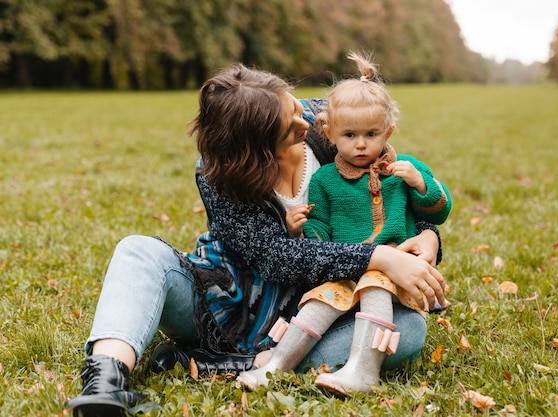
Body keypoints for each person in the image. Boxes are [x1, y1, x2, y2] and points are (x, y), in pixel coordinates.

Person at [64, 63, 448, 416]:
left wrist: (427, 236)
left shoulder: (332, 122)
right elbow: (276, 258)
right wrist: (375, 257)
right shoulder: (219, 173)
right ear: (254, 148)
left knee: (408, 331)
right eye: (289, 125)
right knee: (137, 250)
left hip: (303, 316)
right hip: (219, 306)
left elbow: (391, 194)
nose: (307, 121)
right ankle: (106, 384)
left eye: (296, 106)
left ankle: (241, 364)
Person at [236, 52, 451, 396]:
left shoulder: (405, 168)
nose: (362, 144)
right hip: (344, 268)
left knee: (376, 287)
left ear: (388, 131)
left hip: (393, 268)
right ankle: (275, 366)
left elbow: (438, 211)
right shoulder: (325, 181)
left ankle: (363, 371)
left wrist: (421, 184)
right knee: (319, 301)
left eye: (372, 134)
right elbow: (318, 231)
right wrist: (298, 229)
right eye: (350, 135)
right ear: (330, 134)